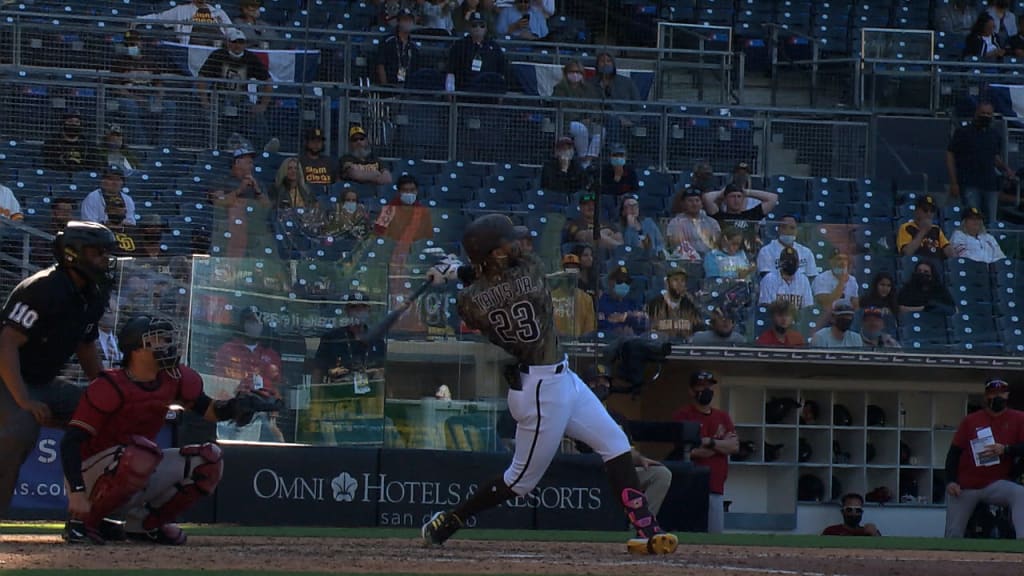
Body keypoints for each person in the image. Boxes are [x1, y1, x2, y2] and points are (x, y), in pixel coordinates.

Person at [420, 214, 678, 555]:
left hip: (559, 378)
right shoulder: (529, 270)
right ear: (496, 254)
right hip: (541, 392)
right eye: (509, 243)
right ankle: (448, 522)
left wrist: (451, 274)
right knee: (520, 481)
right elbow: (505, 274)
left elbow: (484, 286)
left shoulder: (467, 302)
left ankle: (647, 529)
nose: (518, 245)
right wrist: (458, 270)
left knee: (615, 443)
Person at [59, 315, 279, 544]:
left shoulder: (174, 378)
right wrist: (77, 493)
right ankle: (83, 522)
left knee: (209, 460)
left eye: (167, 339)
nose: (167, 345)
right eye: (159, 340)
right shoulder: (109, 385)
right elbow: (71, 442)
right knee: (141, 454)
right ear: (137, 349)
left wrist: (238, 406)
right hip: (92, 472)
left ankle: (145, 525)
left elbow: (210, 410)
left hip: (135, 463)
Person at [0, 221, 115, 518]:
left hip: (44, 382)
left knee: (106, 414)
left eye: (106, 252)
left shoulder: (94, 292)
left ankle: (92, 514)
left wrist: (105, 390)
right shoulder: (41, 288)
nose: (105, 258)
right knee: (21, 428)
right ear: (73, 254)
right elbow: (6, 345)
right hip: (8, 379)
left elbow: (86, 345)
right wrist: (24, 400)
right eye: (97, 252)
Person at [578, 364, 672, 516]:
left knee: (661, 474)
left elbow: (628, 450)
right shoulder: (577, 413)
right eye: (595, 382)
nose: (601, 387)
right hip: (589, 471)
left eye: (605, 382)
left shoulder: (618, 418)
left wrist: (640, 459)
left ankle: (642, 522)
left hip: (619, 470)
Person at [943, 378, 1024, 539]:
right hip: (966, 485)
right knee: (953, 533)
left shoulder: (1019, 418)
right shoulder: (971, 420)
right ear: (986, 397)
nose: (997, 397)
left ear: (1007, 395)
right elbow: (954, 453)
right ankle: (949, 559)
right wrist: (951, 481)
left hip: (995, 483)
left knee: (1020, 493)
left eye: (1001, 393)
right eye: (993, 394)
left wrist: (1006, 449)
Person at [672, 370, 738, 534]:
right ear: (691, 390)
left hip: (716, 486)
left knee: (715, 535)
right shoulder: (683, 415)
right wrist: (720, 446)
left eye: (708, 386)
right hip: (690, 486)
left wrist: (710, 442)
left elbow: (734, 447)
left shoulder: (722, 416)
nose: (706, 390)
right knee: (689, 533)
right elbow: (690, 451)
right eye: (701, 386)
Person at [212, 306, 284, 442]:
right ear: (242, 324)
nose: (254, 325)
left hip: (263, 413)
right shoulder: (227, 350)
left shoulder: (271, 355)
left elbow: (277, 388)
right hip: (233, 411)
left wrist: (273, 419)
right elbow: (219, 382)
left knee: (277, 445)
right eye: (250, 321)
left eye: (258, 322)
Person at [196, 29, 273, 150]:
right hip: (219, 98)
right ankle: (212, 147)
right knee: (211, 115)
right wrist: (205, 101)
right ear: (228, 43)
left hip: (241, 99)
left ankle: (265, 146)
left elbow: (268, 81)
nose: (238, 45)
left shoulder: (250, 58)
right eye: (234, 42)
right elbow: (202, 77)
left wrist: (262, 105)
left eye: (241, 42)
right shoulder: (218, 55)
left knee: (257, 115)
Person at [947, 102, 1015, 225]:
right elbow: (950, 154)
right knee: (972, 218)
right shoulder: (963, 132)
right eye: (983, 113)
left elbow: (994, 157)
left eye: (989, 114)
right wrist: (954, 182)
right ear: (976, 113)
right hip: (969, 183)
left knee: (991, 221)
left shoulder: (994, 135)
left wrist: (1006, 169)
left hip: (990, 184)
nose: (986, 116)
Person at [312, 291, 388, 387]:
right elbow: (318, 371)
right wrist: (315, 397)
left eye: (362, 307)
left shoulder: (377, 341)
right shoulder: (332, 338)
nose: (358, 311)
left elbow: (382, 372)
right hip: (337, 393)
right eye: (354, 307)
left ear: (369, 310)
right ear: (347, 310)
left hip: (369, 394)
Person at [552, 60, 603, 169]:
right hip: (567, 122)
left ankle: (588, 161)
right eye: (572, 71)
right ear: (566, 73)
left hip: (587, 120)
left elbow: (595, 107)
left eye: (578, 72)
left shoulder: (589, 89)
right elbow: (561, 107)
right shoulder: (560, 88)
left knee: (601, 131)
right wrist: (580, 118)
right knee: (581, 129)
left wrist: (590, 118)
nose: (575, 75)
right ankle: (582, 157)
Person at [447, 12, 507, 91]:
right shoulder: (459, 45)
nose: (478, 29)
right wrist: (450, 90)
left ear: (486, 29)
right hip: (464, 88)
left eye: (482, 26)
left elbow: (501, 72)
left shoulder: (494, 47)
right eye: (474, 25)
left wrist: (501, 92)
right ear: (469, 27)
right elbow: (451, 71)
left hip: (488, 91)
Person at [139, 0, 233, 45]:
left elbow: (231, 32)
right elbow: (158, 18)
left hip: (213, 52)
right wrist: (137, 19)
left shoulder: (219, 13)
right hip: (187, 51)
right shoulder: (181, 10)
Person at [646, 266, 703, 341]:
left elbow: (698, 331)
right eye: (675, 280)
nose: (679, 284)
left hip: (685, 348)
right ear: (667, 282)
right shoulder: (654, 304)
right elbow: (648, 331)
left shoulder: (690, 305)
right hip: (661, 348)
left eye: (682, 281)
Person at [666, 186, 721, 263]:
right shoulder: (675, 222)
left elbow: (718, 244)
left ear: (702, 204)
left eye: (697, 200)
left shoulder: (712, 222)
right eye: (690, 201)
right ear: (683, 204)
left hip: (710, 260)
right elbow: (676, 245)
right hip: (686, 260)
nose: (694, 204)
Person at [372, 174, 433, 243]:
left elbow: (427, 236)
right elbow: (378, 234)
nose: (409, 193)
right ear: (399, 192)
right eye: (405, 190)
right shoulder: (388, 211)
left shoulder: (423, 211)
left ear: (417, 191)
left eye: (412, 190)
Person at [551, 254, 596, 339]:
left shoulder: (587, 299)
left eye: (574, 269)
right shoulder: (550, 297)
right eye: (568, 268)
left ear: (579, 273)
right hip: (555, 344)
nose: (570, 273)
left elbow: (589, 331)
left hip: (576, 346)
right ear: (561, 272)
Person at [597, 265, 647, 337]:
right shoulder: (602, 302)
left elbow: (642, 323)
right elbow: (602, 325)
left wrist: (626, 317)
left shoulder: (632, 303)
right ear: (611, 282)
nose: (624, 284)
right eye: (620, 281)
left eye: (627, 282)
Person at [758, 246, 814, 310]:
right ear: (779, 263)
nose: (790, 264)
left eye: (793, 262)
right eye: (787, 262)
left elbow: (808, 308)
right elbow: (765, 307)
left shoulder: (803, 280)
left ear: (798, 264)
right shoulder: (768, 279)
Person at [376, 9, 421, 86]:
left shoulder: (414, 46)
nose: (408, 23)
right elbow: (380, 65)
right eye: (405, 20)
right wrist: (385, 86)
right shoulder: (388, 41)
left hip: (408, 86)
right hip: (390, 84)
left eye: (410, 20)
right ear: (398, 22)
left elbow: (416, 69)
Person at [618, 193, 665, 257]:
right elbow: (628, 248)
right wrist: (630, 228)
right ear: (623, 211)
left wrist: (655, 253)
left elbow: (660, 243)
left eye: (635, 206)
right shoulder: (621, 228)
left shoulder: (649, 222)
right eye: (629, 206)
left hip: (653, 259)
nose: (633, 209)